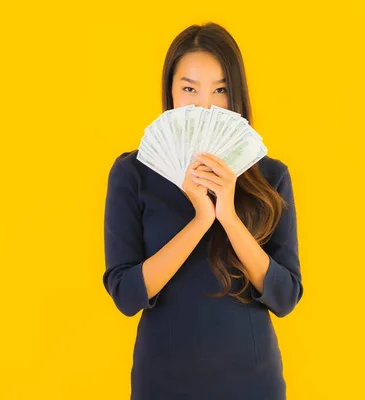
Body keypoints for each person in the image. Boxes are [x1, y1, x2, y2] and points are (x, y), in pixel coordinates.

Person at [103, 22, 303, 400]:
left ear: (237, 94)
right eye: (190, 88)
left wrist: (227, 214)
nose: (205, 105)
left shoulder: (270, 176)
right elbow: (127, 296)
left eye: (221, 90)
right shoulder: (132, 174)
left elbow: (285, 296)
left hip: (253, 382)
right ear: (171, 91)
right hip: (162, 381)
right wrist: (200, 220)